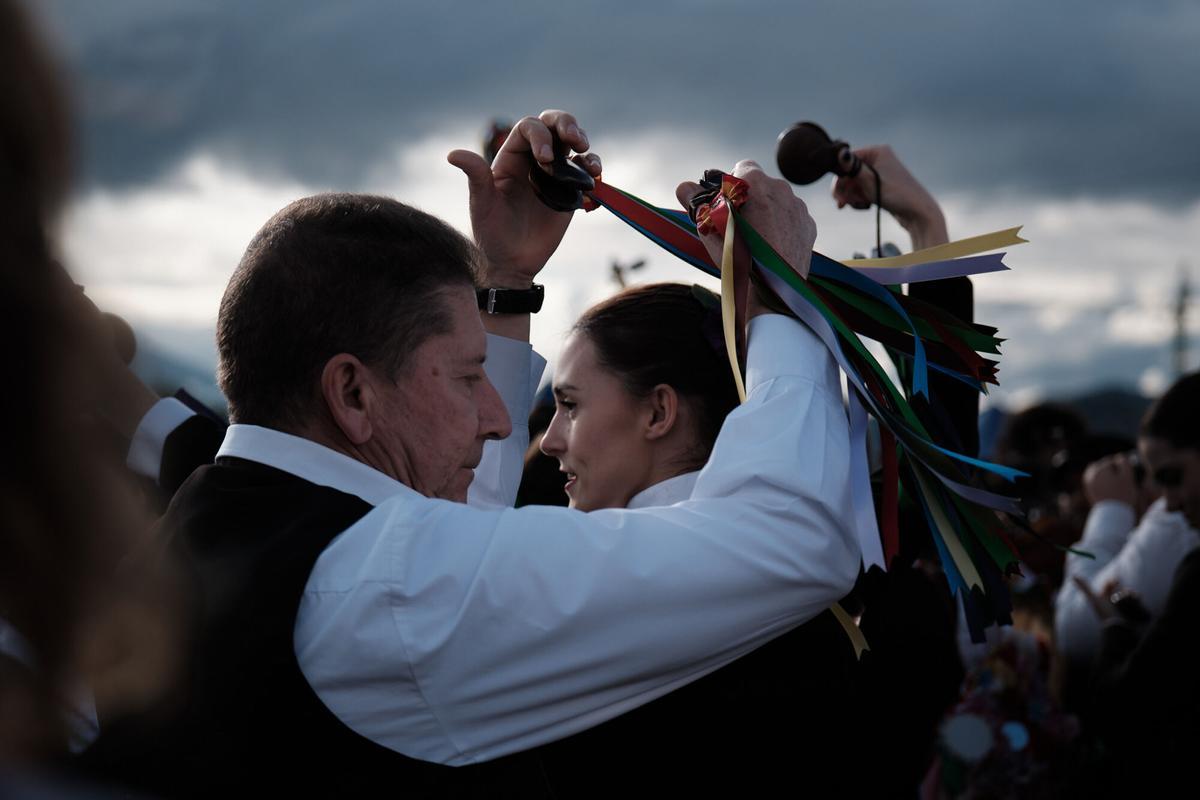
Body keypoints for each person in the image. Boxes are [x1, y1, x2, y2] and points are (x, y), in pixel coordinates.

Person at [83, 112, 861, 797]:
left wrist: (510, 280)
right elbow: (794, 540)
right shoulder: (376, 588)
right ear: (352, 394)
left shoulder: (212, 533)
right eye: (467, 378)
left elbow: (458, 547)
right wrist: (779, 301)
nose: (501, 420)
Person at [1055, 372, 1200, 665]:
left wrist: (1110, 510)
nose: (1168, 502)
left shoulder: (1180, 528)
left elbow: (1074, 630)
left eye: (1171, 476)